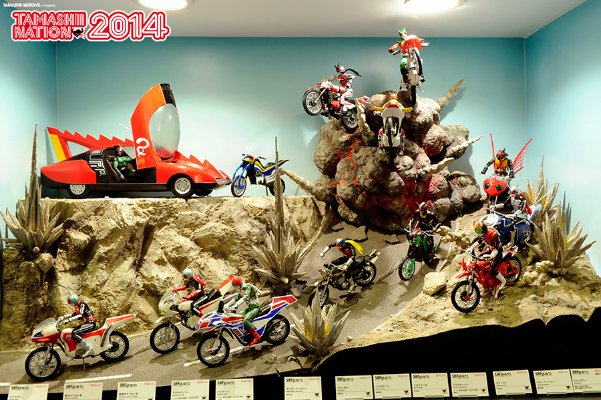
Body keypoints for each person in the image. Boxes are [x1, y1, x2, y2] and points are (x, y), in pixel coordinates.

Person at [467, 221, 505, 298]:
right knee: (480, 258)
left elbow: (497, 246)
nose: (477, 232)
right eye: (476, 230)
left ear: (483, 230)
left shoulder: (492, 234)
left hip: (497, 252)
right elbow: (479, 242)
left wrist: (492, 255)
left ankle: (503, 281)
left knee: (493, 270)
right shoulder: (483, 235)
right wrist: (471, 248)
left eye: (479, 230)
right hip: (490, 249)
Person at [224, 276, 262, 346]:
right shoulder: (242, 289)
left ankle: (257, 336)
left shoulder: (247, 288)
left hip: (255, 307)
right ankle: (246, 331)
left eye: (235, 285)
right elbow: (237, 298)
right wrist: (228, 304)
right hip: (250, 308)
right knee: (238, 316)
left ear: (239, 285)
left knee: (245, 320)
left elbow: (245, 297)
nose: (235, 287)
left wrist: (236, 305)